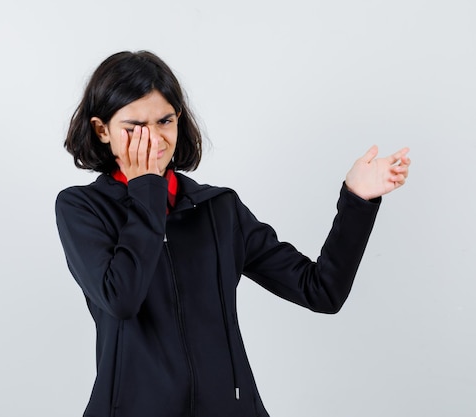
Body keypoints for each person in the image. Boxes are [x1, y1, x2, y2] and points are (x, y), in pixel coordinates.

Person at [55, 51, 410, 417]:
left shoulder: (218, 209)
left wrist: (357, 200)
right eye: (134, 127)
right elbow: (122, 298)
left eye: (165, 120)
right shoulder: (81, 209)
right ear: (102, 130)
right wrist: (146, 188)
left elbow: (320, 291)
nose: (154, 139)